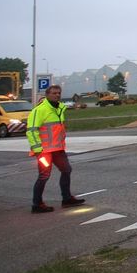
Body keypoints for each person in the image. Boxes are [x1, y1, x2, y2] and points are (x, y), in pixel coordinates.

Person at [26, 84, 85, 213]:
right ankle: (37, 204)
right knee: (44, 176)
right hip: (44, 151)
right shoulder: (39, 110)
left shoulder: (59, 109)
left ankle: (67, 199)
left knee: (67, 170)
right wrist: (37, 149)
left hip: (58, 149)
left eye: (59, 93)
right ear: (47, 95)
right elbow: (31, 131)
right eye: (54, 93)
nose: (57, 95)